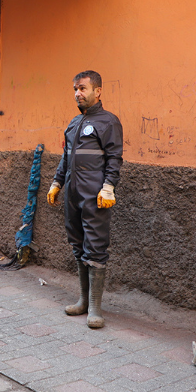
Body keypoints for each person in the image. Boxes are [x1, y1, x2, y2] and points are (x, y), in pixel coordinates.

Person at [47, 70, 123, 328]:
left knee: (96, 247)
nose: (77, 94)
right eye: (75, 89)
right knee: (78, 245)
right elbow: (66, 157)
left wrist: (109, 186)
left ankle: (95, 308)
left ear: (97, 91)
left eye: (82, 89)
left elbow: (114, 158)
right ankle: (82, 300)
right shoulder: (73, 123)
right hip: (72, 193)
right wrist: (57, 182)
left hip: (95, 195)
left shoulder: (108, 122)